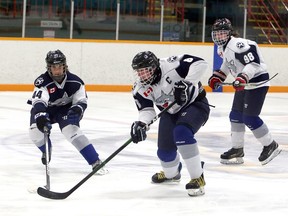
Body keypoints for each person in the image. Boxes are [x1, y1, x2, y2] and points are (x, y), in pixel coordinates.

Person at [130, 51, 210, 196]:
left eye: (144, 71)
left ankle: (198, 177)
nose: (141, 76)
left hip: (195, 104)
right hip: (170, 112)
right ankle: (172, 174)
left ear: (154, 67)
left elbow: (201, 63)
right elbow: (147, 110)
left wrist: (186, 83)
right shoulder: (139, 88)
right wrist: (142, 123)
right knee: (165, 153)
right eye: (138, 72)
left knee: (182, 133)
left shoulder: (172, 64)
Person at [208, 18, 281, 165]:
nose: (218, 37)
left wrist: (242, 78)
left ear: (229, 33)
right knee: (235, 116)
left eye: (222, 34)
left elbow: (253, 64)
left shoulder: (239, 45)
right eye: (216, 34)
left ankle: (270, 145)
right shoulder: (221, 48)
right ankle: (237, 149)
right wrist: (219, 76)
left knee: (249, 118)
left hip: (257, 83)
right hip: (244, 83)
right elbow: (228, 64)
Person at [28, 49, 108, 175]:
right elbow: (39, 101)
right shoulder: (42, 81)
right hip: (46, 109)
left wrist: (77, 110)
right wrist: (41, 116)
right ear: (49, 68)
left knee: (72, 131)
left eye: (60, 67)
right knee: (34, 132)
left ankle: (95, 161)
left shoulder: (75, 82)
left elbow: (82, 100)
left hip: (64, 110)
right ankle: (46, 149)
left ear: (65, 66)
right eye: (54, 67)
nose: (57, 70)